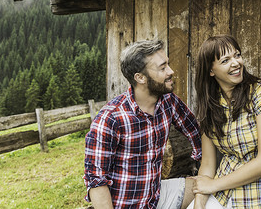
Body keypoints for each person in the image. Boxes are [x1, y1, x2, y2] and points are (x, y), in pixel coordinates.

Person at [83, 39, 202, 209]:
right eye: (162, 68)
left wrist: (203, 167)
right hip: (124, 204)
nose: (171, 71)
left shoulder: (168, 101)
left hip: (156, 196)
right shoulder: (110, 118)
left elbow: (195, 132)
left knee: (205, 188)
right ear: (140, 78)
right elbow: (96, 181)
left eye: (167, 64)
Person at [188, 34, 261, 209]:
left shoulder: (260, 92)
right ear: (211, 70)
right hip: (224, 195)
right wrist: (198, 204)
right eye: (226, 60)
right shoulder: (210, 105)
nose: (236, 63)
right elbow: (208, 165)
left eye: (237, 55)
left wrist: (213, 185)